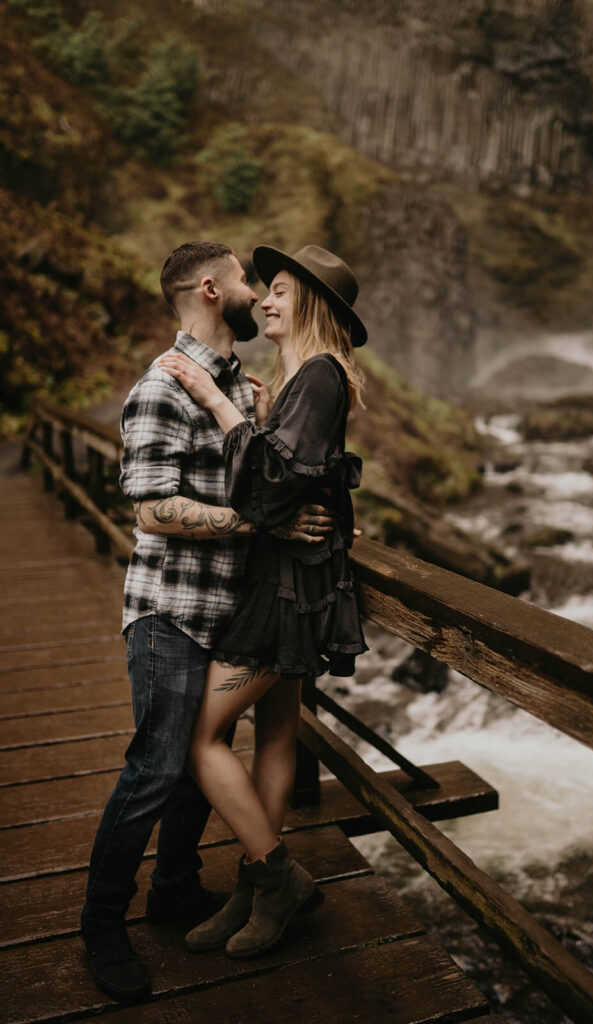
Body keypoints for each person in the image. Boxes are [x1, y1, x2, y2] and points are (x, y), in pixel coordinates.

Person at [80, 241, 334, 1004]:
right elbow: (153, 508)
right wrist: (260, 525)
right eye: (247, 280)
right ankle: (100, 924)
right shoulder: (163, 386)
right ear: (209, 288)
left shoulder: (236, 384)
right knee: (156, 765)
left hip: (229, 608)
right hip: (170, 609)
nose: (256, 294)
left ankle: (175, 890)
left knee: (204, 751)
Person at [155, 244, 368, 960]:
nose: (265, 302)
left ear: (309, 303)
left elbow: (271, 484)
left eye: (277, 290)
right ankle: (255, 887)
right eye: (264, 289)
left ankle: (277, 879)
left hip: (287, 588)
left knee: (198, 736)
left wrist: (218, 404)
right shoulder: (305, 379)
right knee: (274, 733)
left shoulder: (317, 374)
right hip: (292, 577)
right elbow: (310, 473)